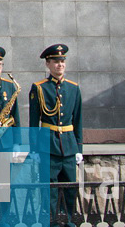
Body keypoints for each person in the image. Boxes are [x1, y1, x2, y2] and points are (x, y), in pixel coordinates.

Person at [29, 44, 83, 223]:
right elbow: (33, 122)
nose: (60, 65)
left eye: (62, 61)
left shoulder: (74, 88)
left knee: (69, 190)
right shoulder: (39, 88)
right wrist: (34, 149)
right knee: (49, 191)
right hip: (48, 145)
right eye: (56, 62)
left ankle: (69, 222)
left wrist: (79, 149)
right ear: (48, 64)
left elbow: (78, 121)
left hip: (68, 146)